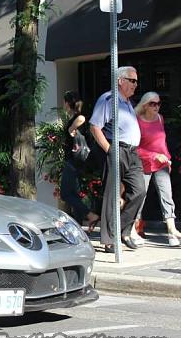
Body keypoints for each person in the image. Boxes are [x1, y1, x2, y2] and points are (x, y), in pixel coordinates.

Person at [89, 66, 146, 253]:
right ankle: (109, 239)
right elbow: (95, 127)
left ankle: (123, 230)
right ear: (120, 80)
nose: (135, 85)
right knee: (112, 195)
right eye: (132, 80)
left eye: (136, 81)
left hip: (132, 152)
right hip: (117, 149)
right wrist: (109, 150)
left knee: (139, 190)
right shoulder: (109, 99)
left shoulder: (128, 102)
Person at [134, 92, 181, 247]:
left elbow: (162, 141)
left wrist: (167, 158)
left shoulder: (160, 118)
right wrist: (154, 156)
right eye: (153, 104)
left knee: (167, 195)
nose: (156, 106)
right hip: (145, 163)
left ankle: (171, 231)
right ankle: (134, 228)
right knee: (140, 197)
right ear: (145, 105)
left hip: (162, 164)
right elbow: (135, 148)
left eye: (158, 103)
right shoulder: (137, 121)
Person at [60, 91, 100, 230]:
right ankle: (77, 225)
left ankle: (90, 215)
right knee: (74, 194)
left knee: (65, 194)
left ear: (68, 103)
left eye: (64, 102)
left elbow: (73, 130)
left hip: (74, 161)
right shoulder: (74, 117)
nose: (63, 104)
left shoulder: (80, 117)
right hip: (73, 160)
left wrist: (71, 128)